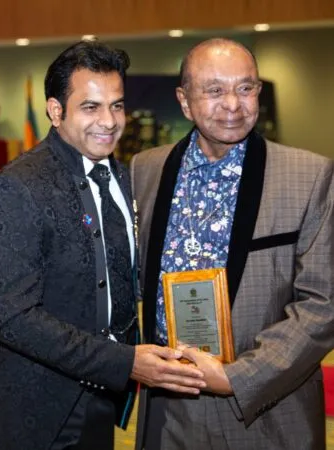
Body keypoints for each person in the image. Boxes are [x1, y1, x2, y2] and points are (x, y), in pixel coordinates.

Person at [0, 40, 206, 450]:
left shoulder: (125, 178)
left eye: (117, 105)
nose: (109, 121)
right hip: (34, 412)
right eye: (91, 107)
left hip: (103, 400)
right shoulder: (16, 187)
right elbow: (12, 318)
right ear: (55, 110)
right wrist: (126, 362)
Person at [131, 37, 334, 450]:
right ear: (184, 101)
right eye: (214, 90)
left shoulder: (309, 176)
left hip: (265, 412)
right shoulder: (145, 169)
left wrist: (236, 379)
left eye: (245, 88)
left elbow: (322, 304)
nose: (233, 104)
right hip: (168, 407)